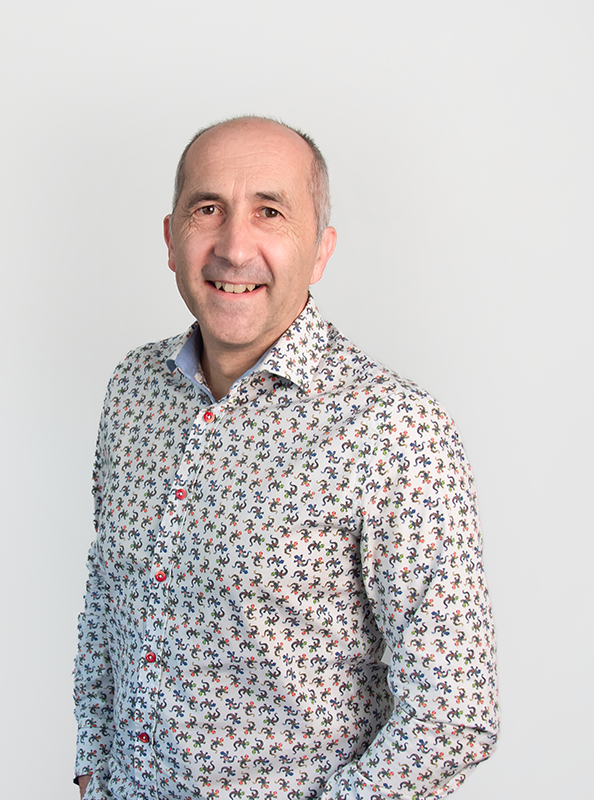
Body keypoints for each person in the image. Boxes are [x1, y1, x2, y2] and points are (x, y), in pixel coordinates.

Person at [73, 117, 499, 799]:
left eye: (269, 212)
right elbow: (108, 599)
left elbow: (453, 714)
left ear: (321, 250)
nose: (234, 247)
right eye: (208, 209)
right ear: (172, 239)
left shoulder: (394, 430)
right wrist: (94, 769)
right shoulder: (133, 391)